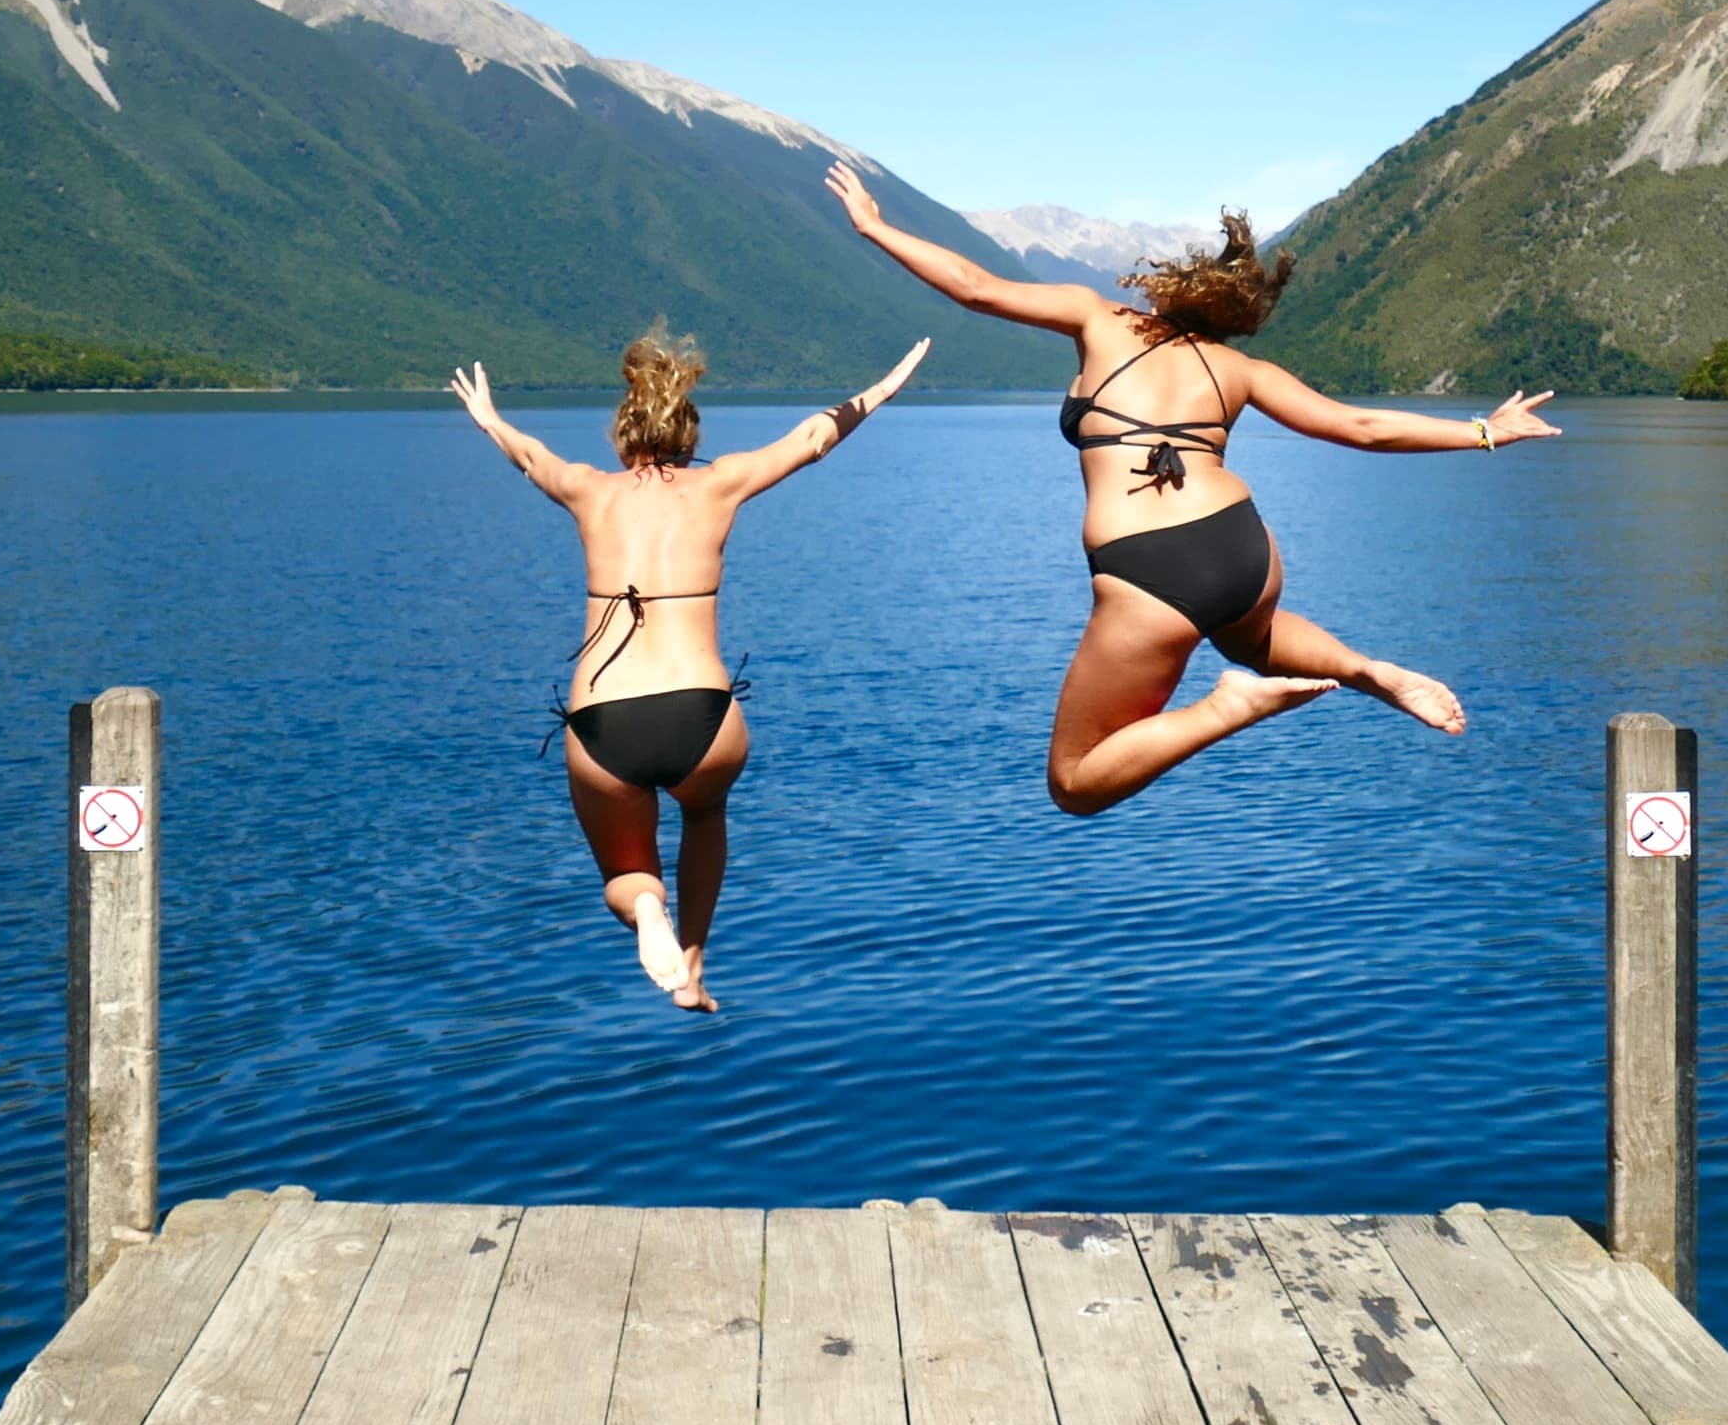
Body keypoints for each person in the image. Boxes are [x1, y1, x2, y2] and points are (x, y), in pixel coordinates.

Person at [824, 159, 1557, 813]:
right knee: (1255, 637)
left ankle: (1227, 709)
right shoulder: (1240, 372)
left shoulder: (1097, 317)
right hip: (1243, 548)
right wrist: (1485, 431)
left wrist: (874, 227)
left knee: (1074, 783)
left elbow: (975, 289)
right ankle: (1366, 669)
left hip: (1151, 565)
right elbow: (1359, 428)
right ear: (1236, 319)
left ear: (1170, 289)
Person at [450, 326, 929, 1009]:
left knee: (628, 870)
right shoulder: (720, 485)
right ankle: (695, 964)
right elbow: (813, 439)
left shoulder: (588, 491)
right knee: (704, 819)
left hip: (603, 720)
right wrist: (882, 389)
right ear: (689, 433)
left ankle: (649, 913)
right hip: (702, 715)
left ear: (623, 433)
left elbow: (528, 456)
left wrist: (489, 418)